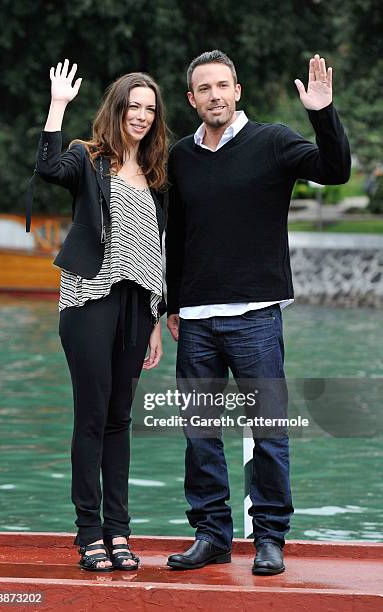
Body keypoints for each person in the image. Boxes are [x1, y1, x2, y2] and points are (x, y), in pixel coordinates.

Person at [165, 50, 350, 574]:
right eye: (205, 88)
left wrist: (322, 113)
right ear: (192, 98)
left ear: (237, 90)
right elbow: (175, 235)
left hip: (255, 318)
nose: (215, 95)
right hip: (196, 319)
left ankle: (269, 538)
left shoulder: (271, 142)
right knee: (199, 433)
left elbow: (335, 170)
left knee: (268, 431)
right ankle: (211, 535)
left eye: (223, 85)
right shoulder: (181, 155)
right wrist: (171, 304)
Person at [26, 59, 167, 572]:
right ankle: (88, 534)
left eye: (150, 109)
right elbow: (47, 169)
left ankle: (119, 533)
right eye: (134, 106)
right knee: (92, 416)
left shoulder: (155, 171)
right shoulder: (87, 158)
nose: (142, 116)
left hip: (137, 305)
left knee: (119, 420)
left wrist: (156, 320)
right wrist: (57, 106)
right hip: (89, 299)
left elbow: (157, 249)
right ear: (117, 108)